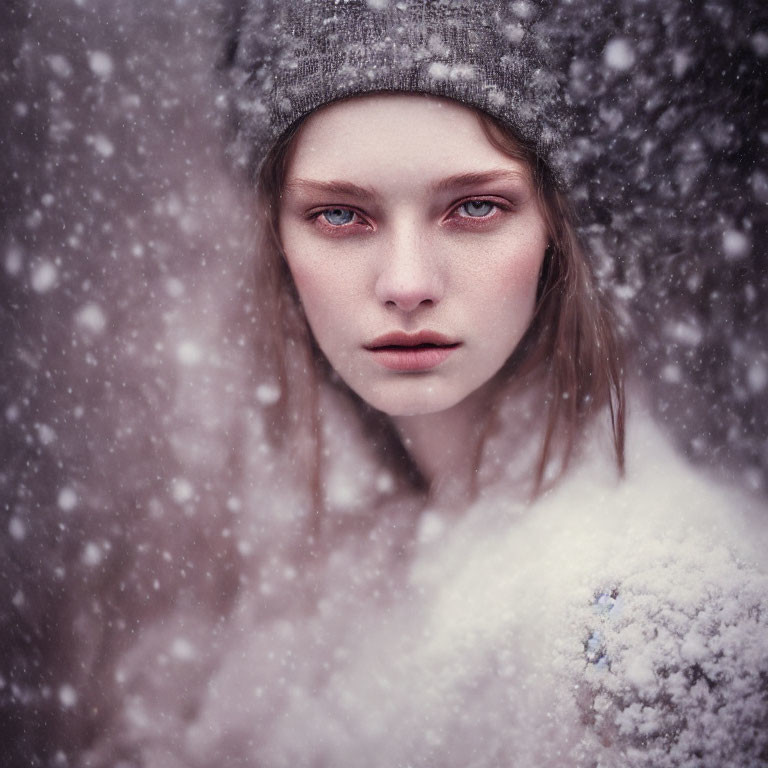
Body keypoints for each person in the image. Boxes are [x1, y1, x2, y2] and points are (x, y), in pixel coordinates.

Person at [77, 1, 767, 766]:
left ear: (557, 228)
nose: (407, 283)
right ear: (279, 240)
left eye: (475, 207)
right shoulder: (329, 582)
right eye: (340, 215)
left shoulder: (647, 619)